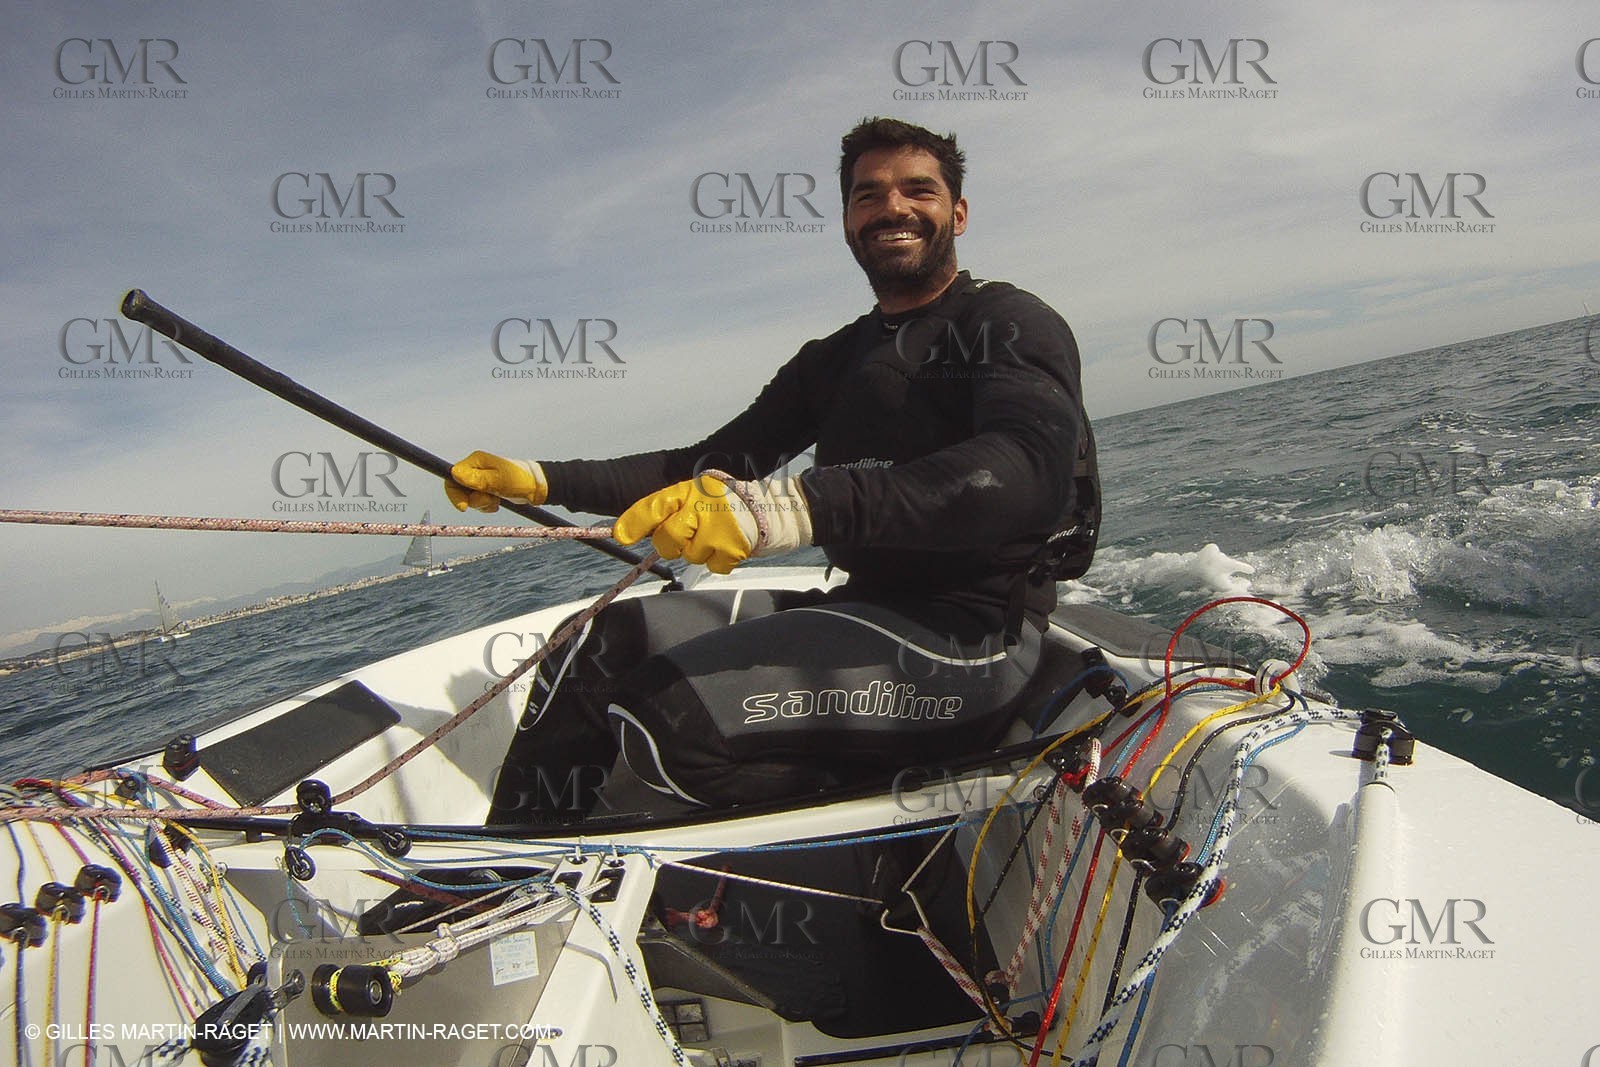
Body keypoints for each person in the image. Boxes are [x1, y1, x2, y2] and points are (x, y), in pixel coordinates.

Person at [448, 117, 1098, 823]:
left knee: (670, 717)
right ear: (849, 222)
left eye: (919, 190)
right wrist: (538, 479)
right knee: (594, 646)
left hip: (973, 638)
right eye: (867, 195)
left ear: (958, 213)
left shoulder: (1007, 322)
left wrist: (788, 510)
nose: (893, 208)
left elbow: (1026, 466)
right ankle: (500, 878)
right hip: (862, 610)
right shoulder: (831, 361)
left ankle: (883, 853)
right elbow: (701, 468)